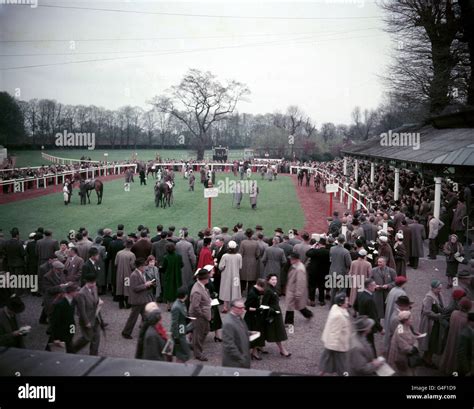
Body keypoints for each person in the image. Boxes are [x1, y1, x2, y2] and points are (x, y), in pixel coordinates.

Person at [122, 258, 155, 339]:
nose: (145, 267)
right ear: (140, 266)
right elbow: (135, 288)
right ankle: (126, 332)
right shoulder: (134, 275)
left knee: (146, 317)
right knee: (133, 318)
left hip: (142, 299)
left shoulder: (141, 273)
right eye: (144, 266)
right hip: (137, 300)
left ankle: (146, 332)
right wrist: (146, 285)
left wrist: (148, 284)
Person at [319, 292, 352, 375]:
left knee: (327, 363)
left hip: (334, 345)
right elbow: (334, 332)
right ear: (341, 303)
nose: (348, 302)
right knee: (343, 367)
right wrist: (331, 347)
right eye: (346, 301)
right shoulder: (339, 316)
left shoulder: (335, 307)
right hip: (339, 346)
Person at [439, 298, 472, 375]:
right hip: (460, 340)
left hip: (451, 337)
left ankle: (446, 368)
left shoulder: (454, 313)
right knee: (457, 356)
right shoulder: (467, 318)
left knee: (449, 352)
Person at [72, 272, 103, 355]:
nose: (93, 284)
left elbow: (95, 299)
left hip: (95, 317)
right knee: (87, 338)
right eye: (91, 283)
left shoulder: (95, 288)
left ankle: (93, 355)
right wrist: (86, 322)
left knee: (97, 338)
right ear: (86, 282)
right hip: (87, 319)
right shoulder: (81, 293)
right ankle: (72, 349)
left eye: (94, 282)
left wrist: (99, 302)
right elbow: (81, 310)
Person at [262, 274, 291, 357]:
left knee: (273, 331)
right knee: (277, 332)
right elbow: (264, 304)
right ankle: (282, 350)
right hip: (272, 314)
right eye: (272, 280)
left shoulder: (273, 289)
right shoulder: (268, 290)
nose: (274, 281)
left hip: (276, 312)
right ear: (268, 280)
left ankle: (258, 347)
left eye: (275, 279)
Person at [419, 280, 446, 368]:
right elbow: (427, 311)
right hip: (430, 323)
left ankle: (426, 357)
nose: (440, 290)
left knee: (432, 340)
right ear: (433, 288)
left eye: (440, 288)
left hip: (435, 322)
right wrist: (437, 316)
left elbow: (442, 306)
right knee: (431, 340)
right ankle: (428, 360)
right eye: (438, 289)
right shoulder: (429, 297)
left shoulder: (438, 295)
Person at [353, 279, 382, 355]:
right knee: (370, 343)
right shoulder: (370, 299)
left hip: (361, 321)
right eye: (374, 285)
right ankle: (373, 358)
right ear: (369, 286)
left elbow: (355, 306)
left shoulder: (360, 294)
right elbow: (373, 316)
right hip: (368, 325)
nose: (376, 287)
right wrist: (381, 329)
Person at [48, 283, 79, 353]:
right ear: (71, 292)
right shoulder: (60, 304)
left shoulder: (72, 301)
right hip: (61, 333)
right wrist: (56, 338)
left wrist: (72, 331)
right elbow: (55, 321)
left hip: (68, 332)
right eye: (76, 291)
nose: (78, 293)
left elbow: (71, 319)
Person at [189, 269, 212, 361]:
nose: (209, 279)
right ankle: (198, 353)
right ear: (204, 279)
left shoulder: (201, 286)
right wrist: (202, 314)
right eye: (208, 278)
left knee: (206, 330)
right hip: (199, 316)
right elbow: (195, 306)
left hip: (203, 315)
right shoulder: (197, 291)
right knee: (199, 334)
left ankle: (195, 346)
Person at [284, 252, 313, 326]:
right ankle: (308, 314)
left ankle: (289, 322)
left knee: (290, 306)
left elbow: (300, 283)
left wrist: (298, 294)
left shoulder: (299, 269)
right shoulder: (296, 266)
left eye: (291, 259)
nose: (290, 260)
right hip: (292, 289)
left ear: (296, 259)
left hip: (294, 291)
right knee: (299, 306)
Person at [222, 299, 251, 368]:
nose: (243, 310)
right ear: (233, 308)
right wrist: (241, 358)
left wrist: (249, 333)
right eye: (240, 308)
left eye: (243, 308)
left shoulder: (238, 317)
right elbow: (229, 345)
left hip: (241, 358)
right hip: (235, 363)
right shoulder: (228, 323)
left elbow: (238, 330)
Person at [388, 310, 419, 376]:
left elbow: (413, 337)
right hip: (403, 357)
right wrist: (412, 348)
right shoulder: (400, 329)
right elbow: (402, 345)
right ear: (405, 320)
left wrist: (415, 345)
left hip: (408, 355)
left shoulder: (406, 326)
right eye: (410, 318)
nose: (412, 319)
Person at [244, 279, 266, 360]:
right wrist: (257, 309)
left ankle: (254, 351)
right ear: (260, 286)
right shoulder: (252, 294)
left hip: (254, 316)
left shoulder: (255, 290)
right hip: (251, 317)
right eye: (263, 288)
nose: (263, 290)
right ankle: (252, 353)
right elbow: (246, 307)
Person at [306, 237, 331, 306]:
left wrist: (312, 247)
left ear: (319, 244)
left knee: (312, 286)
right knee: (321, 286)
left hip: (313, 271)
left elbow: (307, 253)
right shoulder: (328, 252)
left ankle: (312, 300)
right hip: (323, 272)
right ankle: (321, 301)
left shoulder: (315, 251)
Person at [218, 240, 242, 313]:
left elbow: (220, 267)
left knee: (226, 289)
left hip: (226, 275)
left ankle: (225, 307)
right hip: (235, 276)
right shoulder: (239, 256)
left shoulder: (225, 256)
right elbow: (240, 267)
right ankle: (234, 307)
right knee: (235, 290)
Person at [170, 286, 192, 363]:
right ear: (185, 295)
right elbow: (174, 323)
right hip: (178, 334)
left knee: (181, 353)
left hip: (181, 331)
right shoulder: (176, 306)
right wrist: (176, 337)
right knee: (183, 353)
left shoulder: (181, 303)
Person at [328, 235, 352, 304]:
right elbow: (349, 264)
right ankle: (340, 305)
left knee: (333, 290)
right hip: (342, 273)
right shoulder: (346, 251)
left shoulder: (332, 249)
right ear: (344, 241)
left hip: (333, 272)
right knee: (342, 291)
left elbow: (331, 259)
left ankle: (332, 305)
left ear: (337, 240)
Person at [161, 243, 184, 311]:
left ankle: (169, 306)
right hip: (177, 275)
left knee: (169, 290)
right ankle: (178, 305)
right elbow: (182, 265)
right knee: (177, 289)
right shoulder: (179, 256)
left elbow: (163, 268)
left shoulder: (166, 257)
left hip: (169, 276)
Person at [115, 239, 136, 309]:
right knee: (127, 287)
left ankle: (120, 304)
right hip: (128, 274)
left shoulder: (119, 253)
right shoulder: (132, 254)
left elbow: (116, 263)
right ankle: (128, 304)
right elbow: (132, 266)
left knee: (120, 287)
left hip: (119, 274)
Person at [239, 229, 261, 295]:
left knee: (243, 278)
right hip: (253, 262)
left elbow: (240, 253)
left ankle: (241, 291)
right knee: (252, 279)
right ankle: (250, 292)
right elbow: (257, 254)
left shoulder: (243, 242)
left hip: (244, 261)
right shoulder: (256, 243)